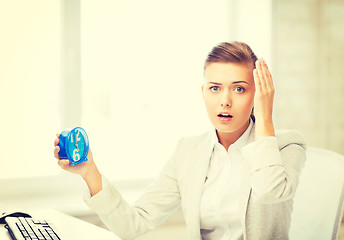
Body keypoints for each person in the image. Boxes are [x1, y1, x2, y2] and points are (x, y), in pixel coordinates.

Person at [54, 41, 306, 240]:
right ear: (203, 92)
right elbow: (132, 224)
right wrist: (89, 171)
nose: (225, 101)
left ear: (258, 94)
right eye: (215, 88)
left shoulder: (286, 145)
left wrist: (264, 117)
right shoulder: (188, 151)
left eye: (239, 88)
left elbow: (269, 191)